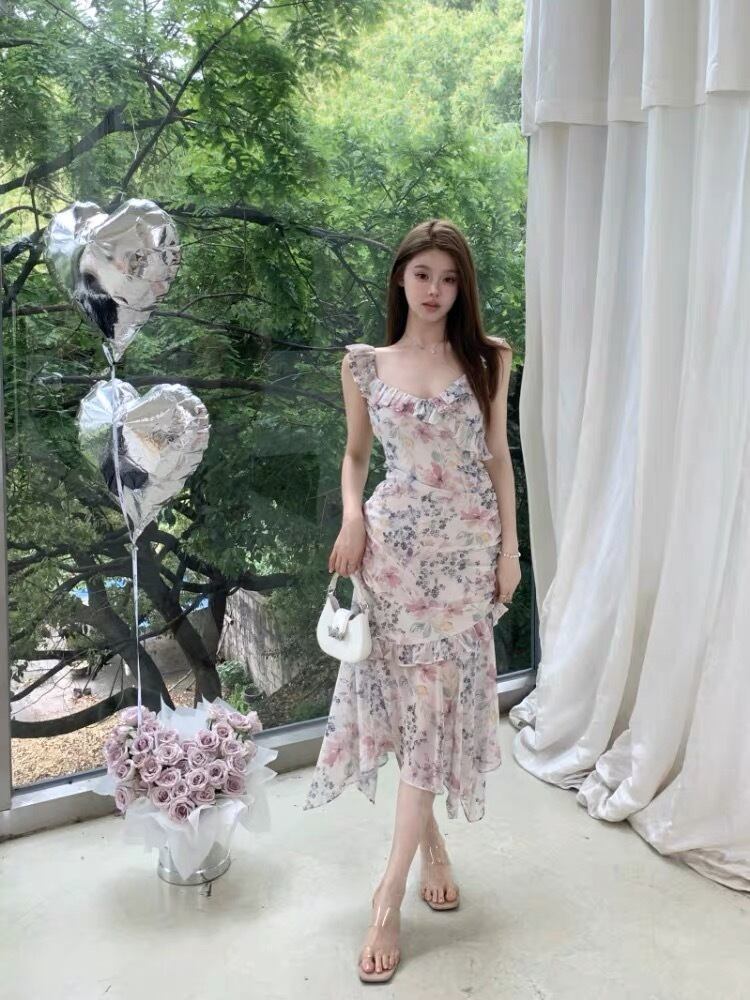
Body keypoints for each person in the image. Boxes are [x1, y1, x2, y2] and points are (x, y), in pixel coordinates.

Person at [302, 218, 521, 983]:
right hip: (392, 556)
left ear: (463, 288)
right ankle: (429, 844)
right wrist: (352, 516)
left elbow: (498, 457)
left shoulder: (490, 358)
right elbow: (356, 454)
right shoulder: (364, 364)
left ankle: (386, 897)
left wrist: (511, 552)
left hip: (463, 560)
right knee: (407, 708)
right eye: (423, 274)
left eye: (450, 279)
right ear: (401, 277)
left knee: (435, 710)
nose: (436, 290)